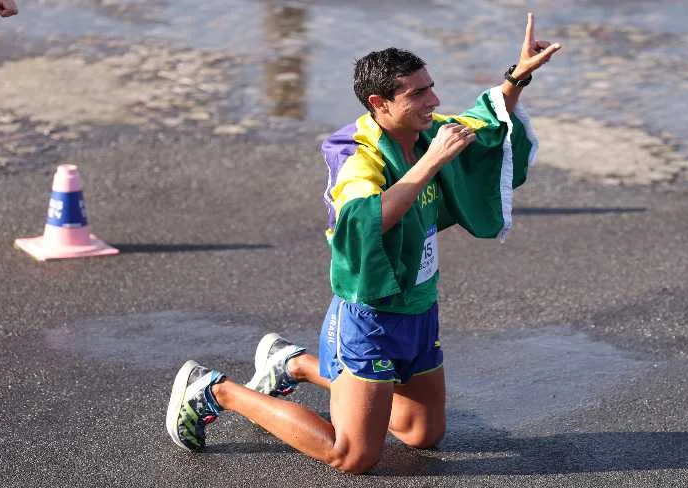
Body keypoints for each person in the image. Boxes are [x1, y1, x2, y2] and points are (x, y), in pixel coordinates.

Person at [165, 12, 561, 474]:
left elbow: (482, 119)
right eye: (418, 93)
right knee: (353, 456)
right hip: (370, 313)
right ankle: (215, 390)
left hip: (419, 307)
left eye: (431, 87)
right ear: (380, 102)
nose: (433, 100)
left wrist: (516, 77)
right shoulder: (354, 153)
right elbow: (362, 219)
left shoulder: (425, 129)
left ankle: (292, 364)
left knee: (423, 434)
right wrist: (430, 164)